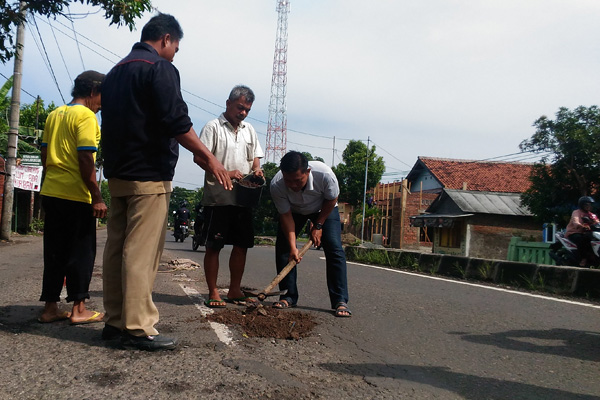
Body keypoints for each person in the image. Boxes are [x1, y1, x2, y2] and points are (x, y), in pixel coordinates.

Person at [100, 13, 231, 351]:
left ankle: (115, 322)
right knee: (141, 252)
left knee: (116, 248)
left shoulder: (114, 73)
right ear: (166, 40)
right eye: (176, 46)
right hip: (149, 173)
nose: (175, 53)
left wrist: (198, 153)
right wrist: (210, 156)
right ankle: (138, 326)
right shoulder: (159, 68)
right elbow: (175, 120)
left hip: (117, 173)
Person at [38, 71, 108, 325]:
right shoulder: (86, 116)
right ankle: (79, 309)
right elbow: (85, 158)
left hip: (52, 191)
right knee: (81, 252)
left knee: (54, 252)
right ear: (92, 92)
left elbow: (45, 155)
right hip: (76, 195)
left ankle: (50, 308)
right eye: (102, 96)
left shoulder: (54, 115)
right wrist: (97, 196)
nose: (103, 103)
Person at [198, 85, 264, 308]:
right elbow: (200, 158)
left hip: (244, 199)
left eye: (247, 109)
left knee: (241, 245)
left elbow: (255, 158)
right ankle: (214, 291)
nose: (243, 113)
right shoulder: (213, 127)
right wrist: (225, 173)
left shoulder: (249, 130)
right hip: (219, 198)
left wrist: (257, 170)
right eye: (240, 107)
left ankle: (235, 290)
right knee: (214, 246)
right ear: (228, 103)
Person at [270, 151, 351, 317]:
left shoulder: (325, 175)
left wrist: (318, 225)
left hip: (324, 208)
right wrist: (293, 247)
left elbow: (332, 199)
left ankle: (340, 300)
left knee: (334, 249)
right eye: (288, 181)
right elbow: (285, 216)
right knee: (284, 249)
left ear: (307, 172)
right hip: (294, 211)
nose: (292, 185)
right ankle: (288, 295)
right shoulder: (277, 184)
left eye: (297, 180)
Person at [566, 196, 600, 267]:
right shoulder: (576, 212)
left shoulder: (591, 214)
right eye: (587, 204)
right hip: (574, 233)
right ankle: (583, 258)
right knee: (582, 240)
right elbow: (575, 221)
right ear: (582, 205)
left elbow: (597, 222)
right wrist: (582, 226)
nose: (589, 206)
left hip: (586, 233)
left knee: (593, 240)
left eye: (590, 205)